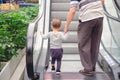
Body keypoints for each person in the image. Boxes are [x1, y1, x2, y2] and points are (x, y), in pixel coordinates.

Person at [64, 0, 104, 76]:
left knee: (83, 43)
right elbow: (102, 1)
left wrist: (66, 26)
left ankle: (88, 69)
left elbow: (72, 11)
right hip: (99, 16)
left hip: (87, 18)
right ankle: (92, 66)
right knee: (95, 43)